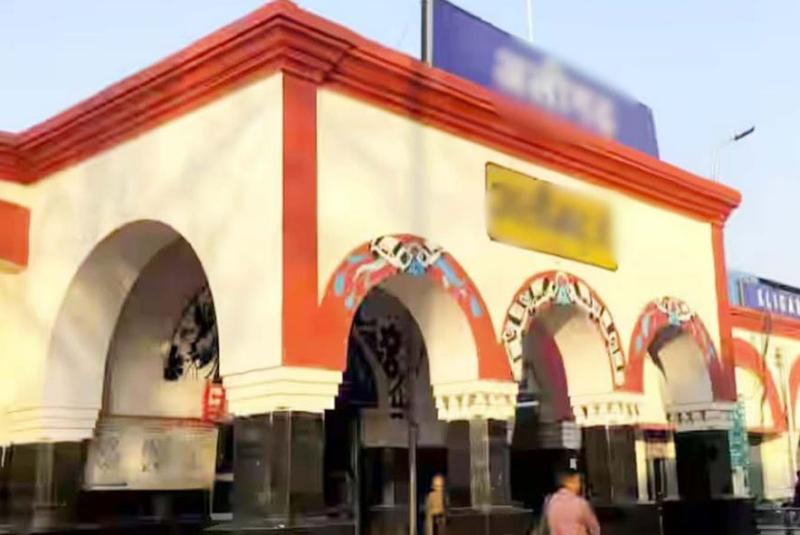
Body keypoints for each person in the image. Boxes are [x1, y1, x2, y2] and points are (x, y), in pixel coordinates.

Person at [545, 468, 600, 535]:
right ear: (571, 482)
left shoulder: (551, 503)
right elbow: (594, 528)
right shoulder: (580, 503)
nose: (580, 485)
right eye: (578, 481)